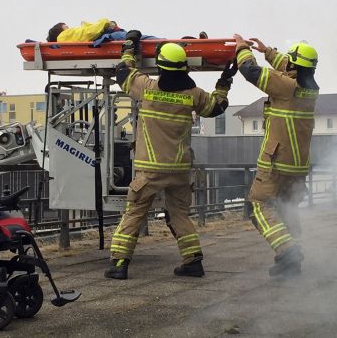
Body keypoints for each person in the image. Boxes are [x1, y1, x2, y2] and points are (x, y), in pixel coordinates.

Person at [104, 31, 237, 280]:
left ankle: (120, 263)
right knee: (179, 215)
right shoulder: (193, 95)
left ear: (161, 66)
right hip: (179, 170)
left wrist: (129, 47)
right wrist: (225, 80)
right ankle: (193, 261)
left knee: (134, 213)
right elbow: (217, 106)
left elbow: (122, 72)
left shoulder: (147, 87)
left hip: (150, 169)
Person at [233, 34, 319, 277]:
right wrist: (267, 51)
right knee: (285, 210)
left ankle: (288, 250)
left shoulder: (285, 86)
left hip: (277, 162)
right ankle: (290, 263)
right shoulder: (309, 88)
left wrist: (242, 47)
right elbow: (291, 67)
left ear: (294, 65)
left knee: (257, 207)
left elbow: (249, 71)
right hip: (298, 165)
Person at [46, 19, 116, 42]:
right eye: (64, 26)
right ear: (59, 29)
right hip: (89, 33)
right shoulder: (62, 36)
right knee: (102, 21)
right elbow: (85, 33)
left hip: (89, 34)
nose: (67, 26)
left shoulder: (64, 37)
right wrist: (104, 22)